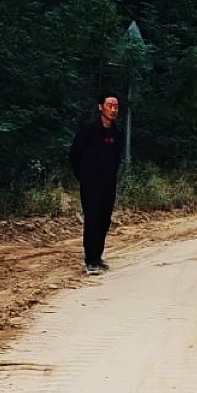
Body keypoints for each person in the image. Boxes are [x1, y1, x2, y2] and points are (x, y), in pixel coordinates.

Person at [69, 93, 124, 275]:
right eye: (109, 106)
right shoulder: (88, 129)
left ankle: (98, 257)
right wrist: (84, 177)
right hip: (90, 183)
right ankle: (90, 260)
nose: (113, 110)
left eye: (116, 106)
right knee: (92, 220)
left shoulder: (117, 132)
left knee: (104, 220)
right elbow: (74, 155)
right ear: (101, 107)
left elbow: (117, 157)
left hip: (109, 183)